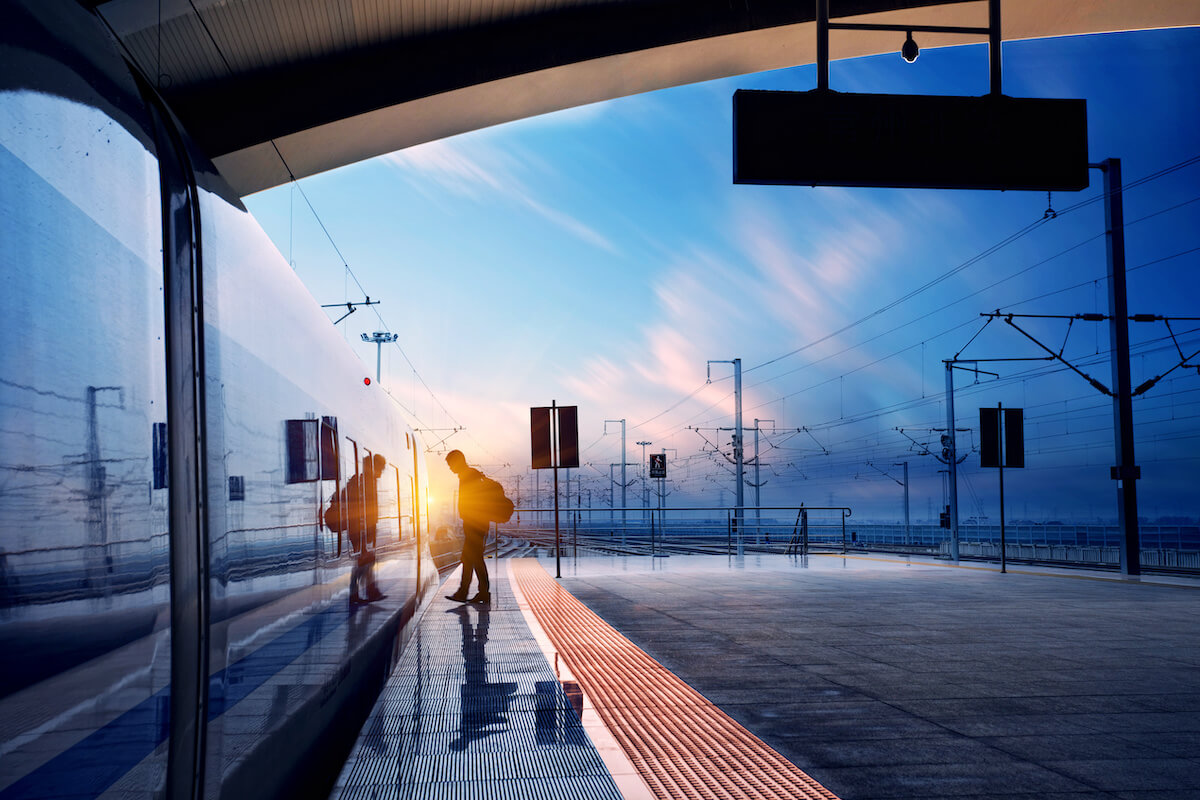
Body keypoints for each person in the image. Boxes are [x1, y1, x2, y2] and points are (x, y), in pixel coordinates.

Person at [445, 449, 495, 604]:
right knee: (473, 558)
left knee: (471, 558)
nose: (450, 468)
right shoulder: (469, 475)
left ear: (457, 461)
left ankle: (467, 592)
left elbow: (473, 501)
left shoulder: (469, 476)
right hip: (476, 523)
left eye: (450, 464)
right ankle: (480, 592)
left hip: (475, 524)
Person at [346, 453, 387, 605]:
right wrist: (368, 529)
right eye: (380, 468)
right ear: (374, 467)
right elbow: (365, 508)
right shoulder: (365, 481)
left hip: (362, 527)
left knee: (365, 561)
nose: (381, 472)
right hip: (360, 528)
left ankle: (368, 592)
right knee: (365, 561)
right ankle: (359, 593)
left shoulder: (365, 480)